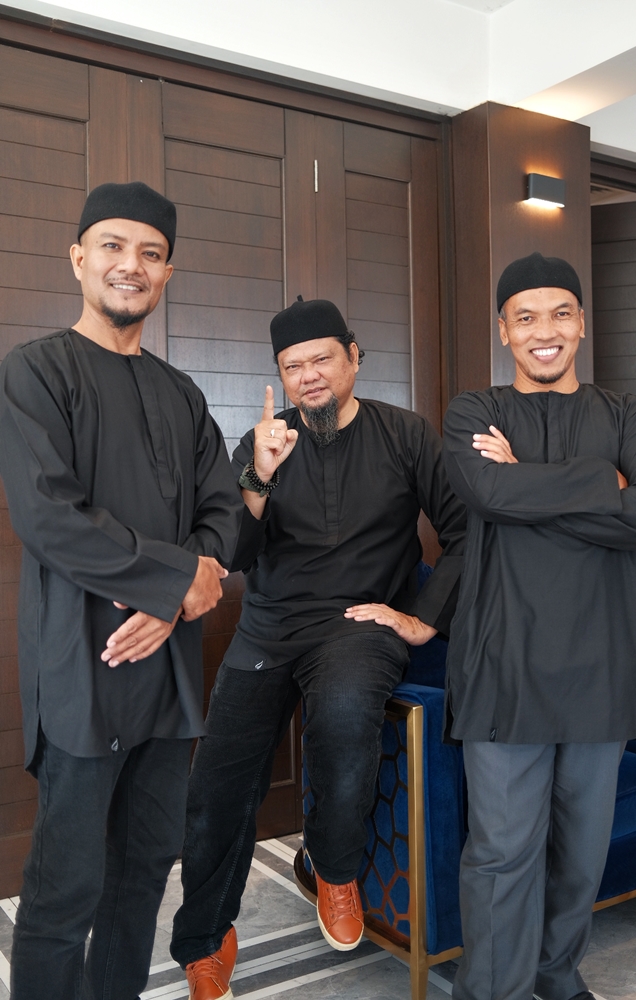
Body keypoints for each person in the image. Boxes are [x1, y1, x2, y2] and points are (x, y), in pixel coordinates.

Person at [0, 181, 262, 1000]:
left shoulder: (181, 393)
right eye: (112, 246)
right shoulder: (33, 372)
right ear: (78, 258)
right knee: (65, 888)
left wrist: (178, 593)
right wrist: (177, 582)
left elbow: (222, 514)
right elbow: (50, 518)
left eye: (150, 253)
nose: (131, 265)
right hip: (82, 666)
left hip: (170, 675)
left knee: (144, 869)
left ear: (166, 273)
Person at [169, 296, 467, 1000]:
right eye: (292, 366)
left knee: (341, 714)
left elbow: (464, 530)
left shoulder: (405, 434)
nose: (308, 376)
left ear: (353, 358)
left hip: (358, 624)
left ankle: (333, 868)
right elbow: (234, 553)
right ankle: (206, 940)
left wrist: (423, 619)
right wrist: (259, 476)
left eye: (321, 360)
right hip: (269, 625)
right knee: (217, 781)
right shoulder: (261, 446)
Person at [442, 252, 636, 1000]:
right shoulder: (473, 412)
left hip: (603, 665)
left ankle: (555, 975)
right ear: (503, 330)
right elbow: (488, 494)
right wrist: (604, 482)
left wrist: (524, 486)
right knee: (501, 852)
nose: (545, 331)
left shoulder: (629, 414)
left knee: (580, 853)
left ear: (581, 324)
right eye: (527, 317)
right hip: (505, 664)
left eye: (560, 314)